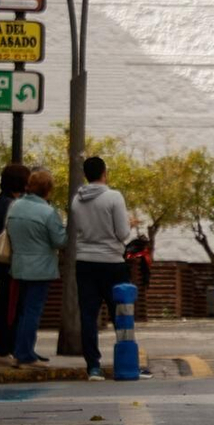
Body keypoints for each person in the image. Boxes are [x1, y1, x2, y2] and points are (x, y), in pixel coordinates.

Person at [72, 156, 131, 381]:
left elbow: (77, 230)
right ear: (104, 172)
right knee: (121, 313)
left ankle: (93, 367)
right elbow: (123, 233)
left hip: (85, 262)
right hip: (112, 262)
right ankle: (124, 362)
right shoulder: (113, 197)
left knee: (88, 315)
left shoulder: (77, 200)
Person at [5, 168, 66, 368]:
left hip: (19, 265)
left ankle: (23, 350)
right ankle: (25, 354)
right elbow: (59, 241)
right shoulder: (48, 213)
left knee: (23, 311)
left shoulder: (15, 207)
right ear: (48, 189)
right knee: (32, 311)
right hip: (40, 268)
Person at [0, 163, 29, 367]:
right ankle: (4, 348)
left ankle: (5, 347)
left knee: (5, 303)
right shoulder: (11, 204)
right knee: (10, 306)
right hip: (9, 261)